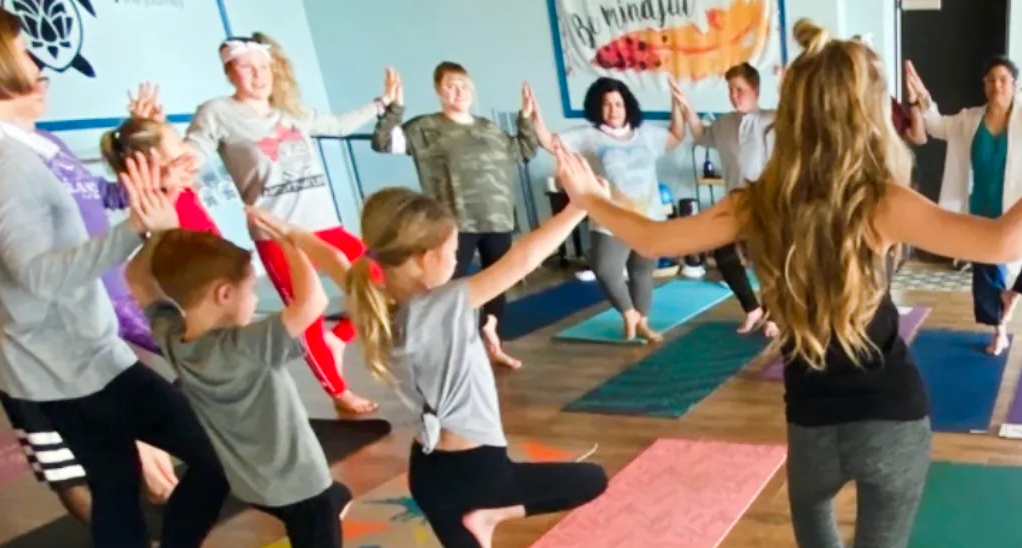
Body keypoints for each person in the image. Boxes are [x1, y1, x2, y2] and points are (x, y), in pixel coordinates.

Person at [554, 20, 1022, 548]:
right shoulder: (879, 199)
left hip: (811, 421)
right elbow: (1002, 241)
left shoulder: (763, 199)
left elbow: (654, 239)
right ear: (863, 113)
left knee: (813, 516)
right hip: (894, 421)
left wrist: (588, 197)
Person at [0, 0, 235, 548]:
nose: (38, 62)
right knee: (218, 456)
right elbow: (42, 274)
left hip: (36, 356)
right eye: (22, 51)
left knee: (113, 483)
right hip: (66, 357)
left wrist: (143, 186)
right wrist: (138, 229)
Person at [341, 187, 608, 548]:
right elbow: (523, 258)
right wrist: (579, 207)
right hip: (478, 472)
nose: (459, 258)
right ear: (425, 258)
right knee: (593, 479)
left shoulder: (380, 306)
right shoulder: (440, 304)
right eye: (454, 249)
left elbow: (340, 263)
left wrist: (293, 238)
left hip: (428, 472)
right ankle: (493, 512)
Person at [125, 223, 391, 548]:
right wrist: (292, 243)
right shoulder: (247, 346)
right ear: (224, 295)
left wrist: (155, 237)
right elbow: (314, 303)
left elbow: (138, 279)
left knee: (337, 498)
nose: (256, 299)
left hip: (249, 482)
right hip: (296, 481)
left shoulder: (175, 338)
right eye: (253, 289)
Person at [185, 33, 398, 415]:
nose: (258, 75)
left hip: (323, 223)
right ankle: (338, 391)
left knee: (380, 278)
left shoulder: (289, 111)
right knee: (307, 314)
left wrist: (381, 103)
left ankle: (342, 338)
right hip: (278, 233)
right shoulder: (217, 112)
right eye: (247, 67)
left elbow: (336, 124)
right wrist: (173, 161)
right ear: (230, 71)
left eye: (263, 66)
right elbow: (194, 149)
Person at [907, 52, 1022, 355]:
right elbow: (937, 126)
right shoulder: (969, 120)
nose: (997, 85)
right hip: (982, 212)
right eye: (991, 80)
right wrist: (922, 96)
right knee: (986, 277)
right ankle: (1000, 331)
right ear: (984, 85)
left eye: (1003, 80)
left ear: (1014, 85)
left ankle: (1013, 294)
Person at [371, 62, 539, 370]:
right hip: (454, 222)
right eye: (450, 85)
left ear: (472, 89)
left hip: (497, 217)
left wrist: (525, 118)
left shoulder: (488, 129)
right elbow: (383, 142)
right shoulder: (426, 128)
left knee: (498, 280)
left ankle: (492, 337)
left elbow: (524, 151)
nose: (458, 91)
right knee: (449, 286)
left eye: (463, 85)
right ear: (439, 92)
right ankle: (449, 348)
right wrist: (394, 108)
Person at [531, 78, 684, 342]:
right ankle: (628, 314)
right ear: (597, 107)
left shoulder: (646, 134)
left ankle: (643, 322)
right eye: (606, 104)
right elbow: (548, 141)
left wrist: (678, 104)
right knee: (605, 268)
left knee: (642, 272)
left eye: (618, 104)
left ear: (627, 106)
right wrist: (534, 113)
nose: (613, 110)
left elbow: (675, 136)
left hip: (648, 217)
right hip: (610, 219)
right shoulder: (590, 136)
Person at [680, 63, 776, 334]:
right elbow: (701, 135)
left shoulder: (773, 119)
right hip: (735, 202)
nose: (734, 95)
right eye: (730, 90)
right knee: (723, 254)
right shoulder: (723, 124)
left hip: (767, 202)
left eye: (740, 89)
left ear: (755, 89)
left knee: (767, 262)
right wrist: (686, 108)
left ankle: (774, 316)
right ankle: (752, 308)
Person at [102, 85, 219, 234]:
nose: (186, 148)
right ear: (155, 159)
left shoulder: (184, 183)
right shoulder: (151, 208)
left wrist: (153, 124)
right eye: (179, 144)